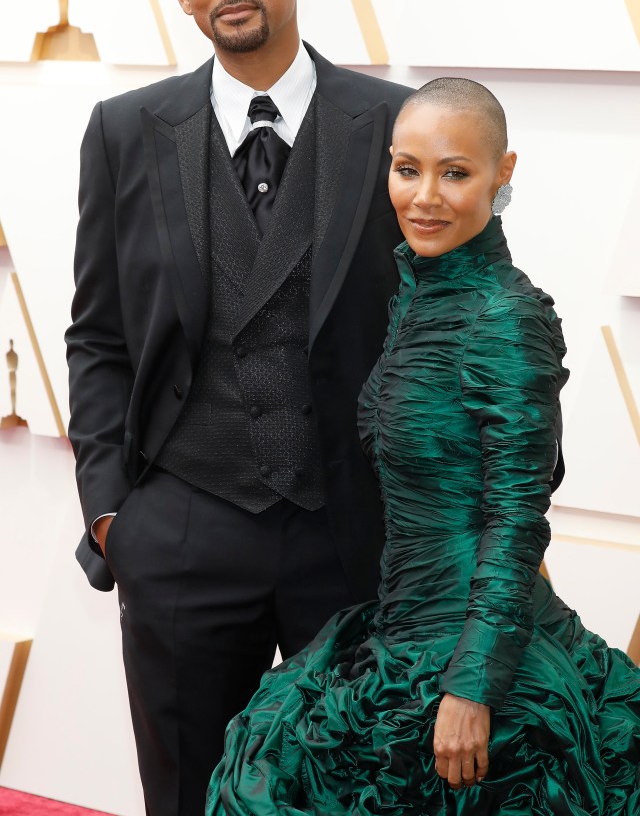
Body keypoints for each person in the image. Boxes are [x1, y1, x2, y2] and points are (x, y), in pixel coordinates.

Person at [65, 0, 414, 816]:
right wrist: (112, 515)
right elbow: (97, 336)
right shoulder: (125, 130)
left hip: (348, 534)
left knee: (348, 795)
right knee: (184, 798)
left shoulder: (394, 126)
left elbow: (451, 320)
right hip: (182, 528)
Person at [205, 78, 640, 815]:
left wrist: (472, 686)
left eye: (456, 172)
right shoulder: (420, 292)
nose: (425, 196)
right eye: (408, 169)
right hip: (397, 632)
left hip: (473, 661)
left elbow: (515, 517)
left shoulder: (505, 317)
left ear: (503, 173)